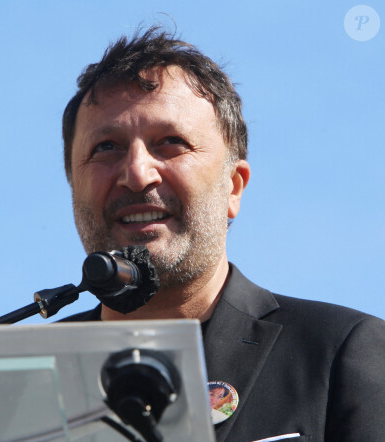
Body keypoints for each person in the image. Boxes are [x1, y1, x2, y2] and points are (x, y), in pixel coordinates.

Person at [59, 27, 385, 441]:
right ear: (73, 185)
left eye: (171, 143)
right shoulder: (18, 379)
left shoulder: (342, 354)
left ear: (233, 187)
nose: (137, 174)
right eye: (106, 147)